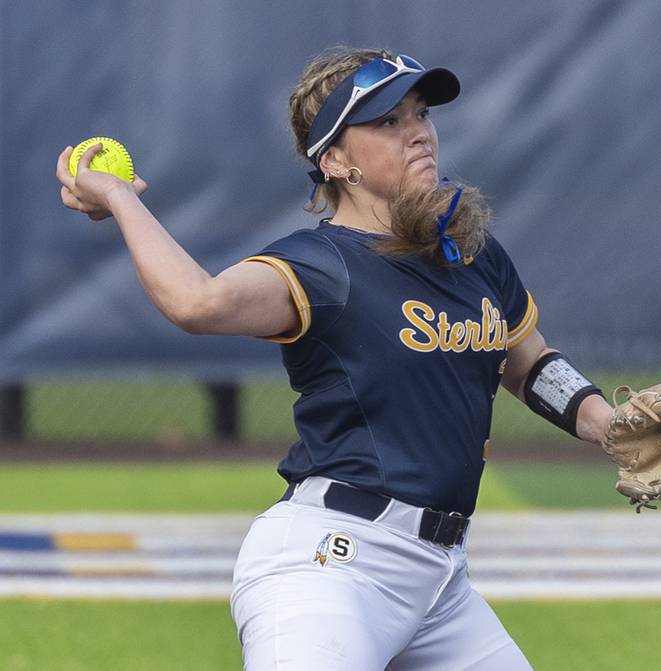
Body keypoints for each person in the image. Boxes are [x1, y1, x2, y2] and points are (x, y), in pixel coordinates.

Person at [57, 46, 613, 671]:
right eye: (387, 122)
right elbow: (197, 303)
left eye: (421, 113)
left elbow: (528, 361)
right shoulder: (323, 265)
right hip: (331, 567)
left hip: (444, 582)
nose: (419, 133)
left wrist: (611, 425)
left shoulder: (473, 253)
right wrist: (120, 198)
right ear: (335, 160)